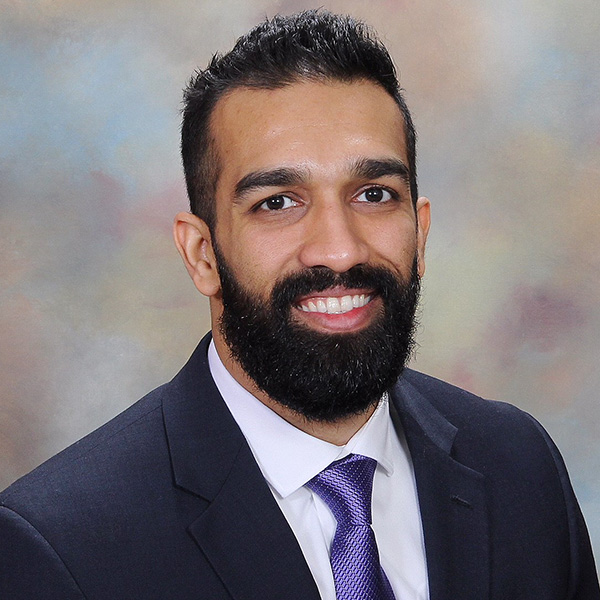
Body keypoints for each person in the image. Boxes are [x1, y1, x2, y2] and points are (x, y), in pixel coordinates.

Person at [0, 9, 598, 600]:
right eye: (278, 203)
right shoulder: (59, 549)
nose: (339, 250)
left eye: (374, 194)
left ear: (420, 233)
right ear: (202, 254)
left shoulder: (520, 467)